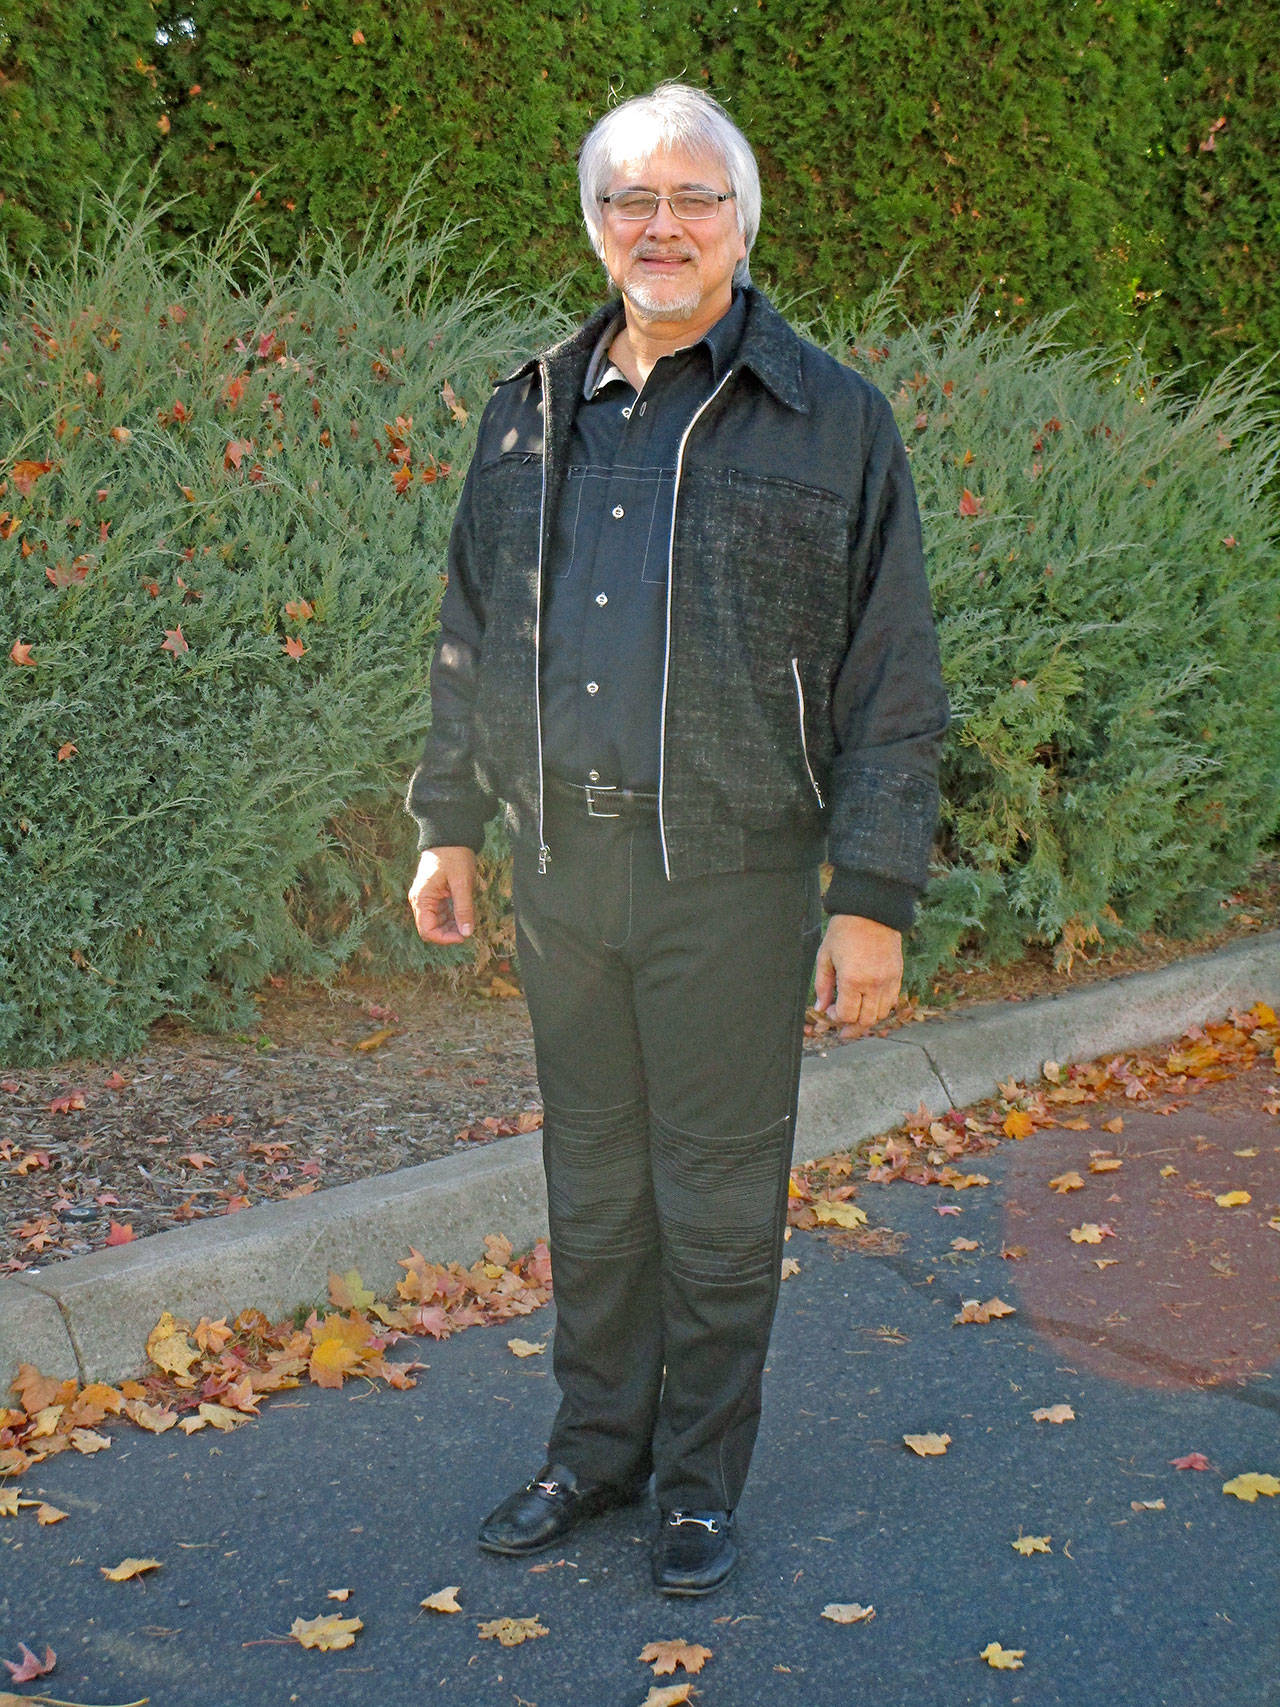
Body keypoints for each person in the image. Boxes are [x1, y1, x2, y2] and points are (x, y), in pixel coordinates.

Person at [406, 81, 948, 1596]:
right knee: (593, 1184)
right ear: (596, 226)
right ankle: (597, 1451)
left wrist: (874, 894)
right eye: (631, 202)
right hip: (560, 880)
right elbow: (468, 633)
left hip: (730, 876)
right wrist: (446, 825)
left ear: (741, 225)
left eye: (692, 200)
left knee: (713, 1197)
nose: (662, 226)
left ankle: (699, 1480)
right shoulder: (529, 405)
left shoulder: (832, 418)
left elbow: (892, 678)